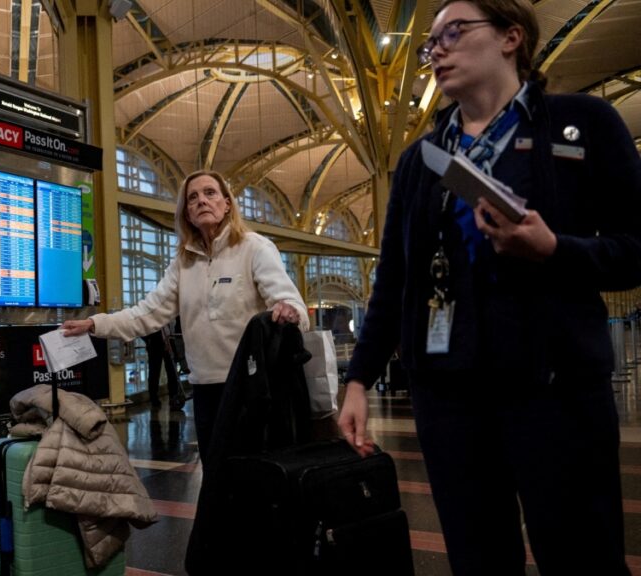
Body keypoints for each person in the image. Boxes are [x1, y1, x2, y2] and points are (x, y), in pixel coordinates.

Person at [337, 1, 640, 574]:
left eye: (453, 33)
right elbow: (394, 278)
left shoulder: (583, 124)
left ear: (510, 37)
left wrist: (557, 250)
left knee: (583, 557)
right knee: (478, 559)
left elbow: (635, 247)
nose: (437, 51)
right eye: (430, 44)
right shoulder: (422, 160)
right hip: (449, 397)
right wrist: (359, 379)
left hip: (556, 391)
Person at [61, 169, 309, 464]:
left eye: (210, 193)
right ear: (187, 214)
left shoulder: (254, 247)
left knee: (253, 477)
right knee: (216, 477)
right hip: (206, 391)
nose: (201, 200)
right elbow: (147, 313)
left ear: (227, 204)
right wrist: (95, 323)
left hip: (251, 389)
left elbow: (289, 301)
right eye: (193, 198)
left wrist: (290, 311)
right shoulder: (183, 263)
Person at [143, 323, 184, 410]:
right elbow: (142, 331)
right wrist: (148, 340)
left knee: (172, 371)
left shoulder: (165, 319)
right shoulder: (150, 319)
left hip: (168, 343)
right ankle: (154, 399)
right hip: (155, 346)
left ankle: (173, 396)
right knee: (154, 372)